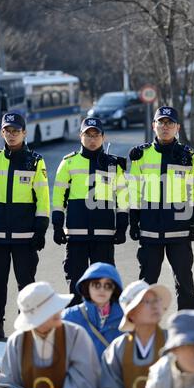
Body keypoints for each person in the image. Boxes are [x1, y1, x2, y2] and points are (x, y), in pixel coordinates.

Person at [128, 106, 194, 310]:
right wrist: (132, 220)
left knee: (185, 281)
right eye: (161, 122)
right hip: (150, 228)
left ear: (177, 127)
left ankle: (188, 324)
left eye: (170, 123)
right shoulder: (141, 155)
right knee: (146, 282)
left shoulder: (188, 155)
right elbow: (133, 188)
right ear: (154, 126)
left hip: (179, 229)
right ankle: (142, 326)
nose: (165, 127)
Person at [0, 282, 103, 388]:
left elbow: (86, 384)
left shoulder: (75, 334)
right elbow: (8, 384)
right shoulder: (17, 340)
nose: (60, 315)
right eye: (53, 314)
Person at [52, 117, 128, 304]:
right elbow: (58, 197)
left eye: (96, 135)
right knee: (76, 284)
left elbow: (123, 198)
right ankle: (77, 326)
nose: (92, 139)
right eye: (88, 135)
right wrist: (56, 226)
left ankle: (104, 325)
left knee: (104, 284)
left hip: (104, 235)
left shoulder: (113, 165)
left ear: (103, 137)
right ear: (81, 136)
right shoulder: (68, 163)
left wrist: (122, 227)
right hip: (76, 236)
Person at [0, 113, 50, 342]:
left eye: (16, 131)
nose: (11, 135)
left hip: (26, 238)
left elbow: (43, 198)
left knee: (27, 287)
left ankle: (26, 332)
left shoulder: (35, 160)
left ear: (24, 133)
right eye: (7, 130)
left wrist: (41, 228)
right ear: (2, 132)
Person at [99, 280, 171, 388]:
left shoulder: (173, 342)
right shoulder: (117, 349)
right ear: (131, 313)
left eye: (156, 301)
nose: (155, 306)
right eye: (146, 302)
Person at [62, 262, 123, 360]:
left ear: (114, 289)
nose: (102, 290)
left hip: (115, 375)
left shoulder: (126, 318)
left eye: (108, 285)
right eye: (96, 284)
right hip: (82, 374)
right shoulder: (69, 317)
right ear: (87, 286)